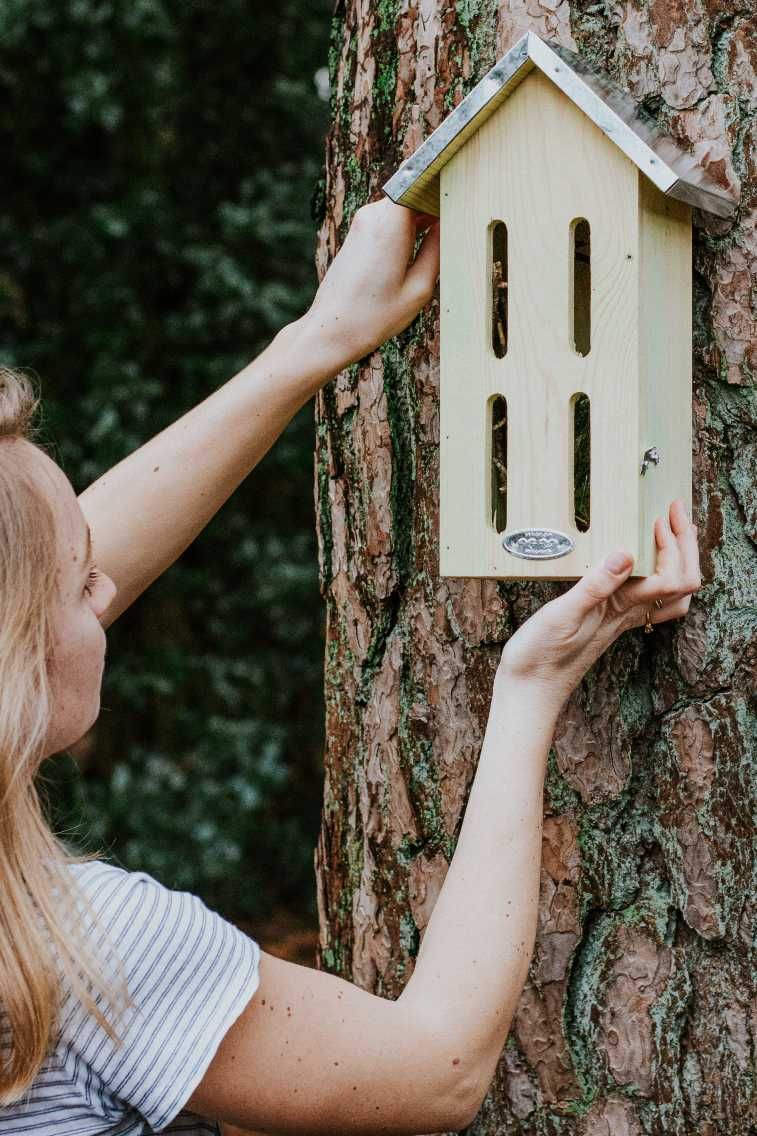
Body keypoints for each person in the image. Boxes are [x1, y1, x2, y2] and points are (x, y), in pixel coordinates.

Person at [0, 198, 700, 1135]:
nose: (109, 586)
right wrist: (531, 690)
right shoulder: (77, 953)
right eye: (84, 586)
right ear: (20, 658)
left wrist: (319, 341)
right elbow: (436, 1071)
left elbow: (34, 571)